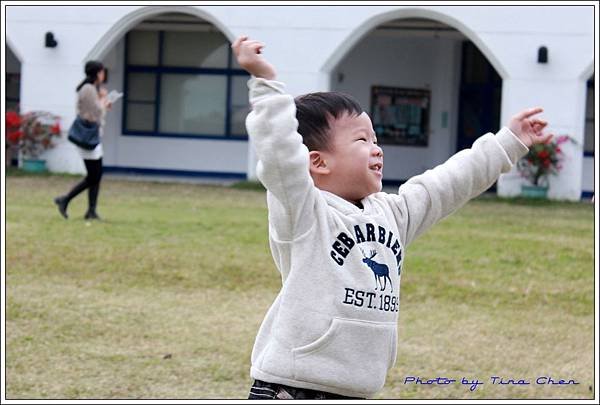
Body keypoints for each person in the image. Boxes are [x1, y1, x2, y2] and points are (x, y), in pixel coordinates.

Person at [232, 36, 553, 400]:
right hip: (293, 386)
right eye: (361, 140)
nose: (376, 148)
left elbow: (448, 183)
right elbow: (280, 153)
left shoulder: (393, 213)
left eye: (375, 138)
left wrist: (508, 141)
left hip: (358, 388)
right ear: (318, 162)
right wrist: (265, 83)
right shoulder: (304, 211)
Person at [54, 61, 111, 220]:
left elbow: (95, 111)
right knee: (94, 176)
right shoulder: (88, 89)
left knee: (96, 175)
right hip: (88, 137)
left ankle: (91, 210)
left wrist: (103, 102)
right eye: (102, 72)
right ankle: (65, 199)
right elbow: (96, 112)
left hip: (92, 136)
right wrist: (104, 100)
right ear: (98, 73)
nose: (103, 75)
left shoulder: (90, 89)